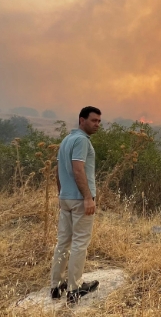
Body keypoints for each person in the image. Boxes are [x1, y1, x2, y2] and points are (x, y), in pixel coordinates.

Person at [50, 106, 101, 304]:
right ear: (82, 120)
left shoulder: (66, 139)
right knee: (80, 243)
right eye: (93, 120)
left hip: (66, 198)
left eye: (99, 121)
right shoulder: (81, 140)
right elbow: (78, 170)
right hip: (80, 200)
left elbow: (58, 170)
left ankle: (56, 286)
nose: (97, 124)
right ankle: (75, 288)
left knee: (63, 241)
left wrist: (61, 193)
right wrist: (88, 198)